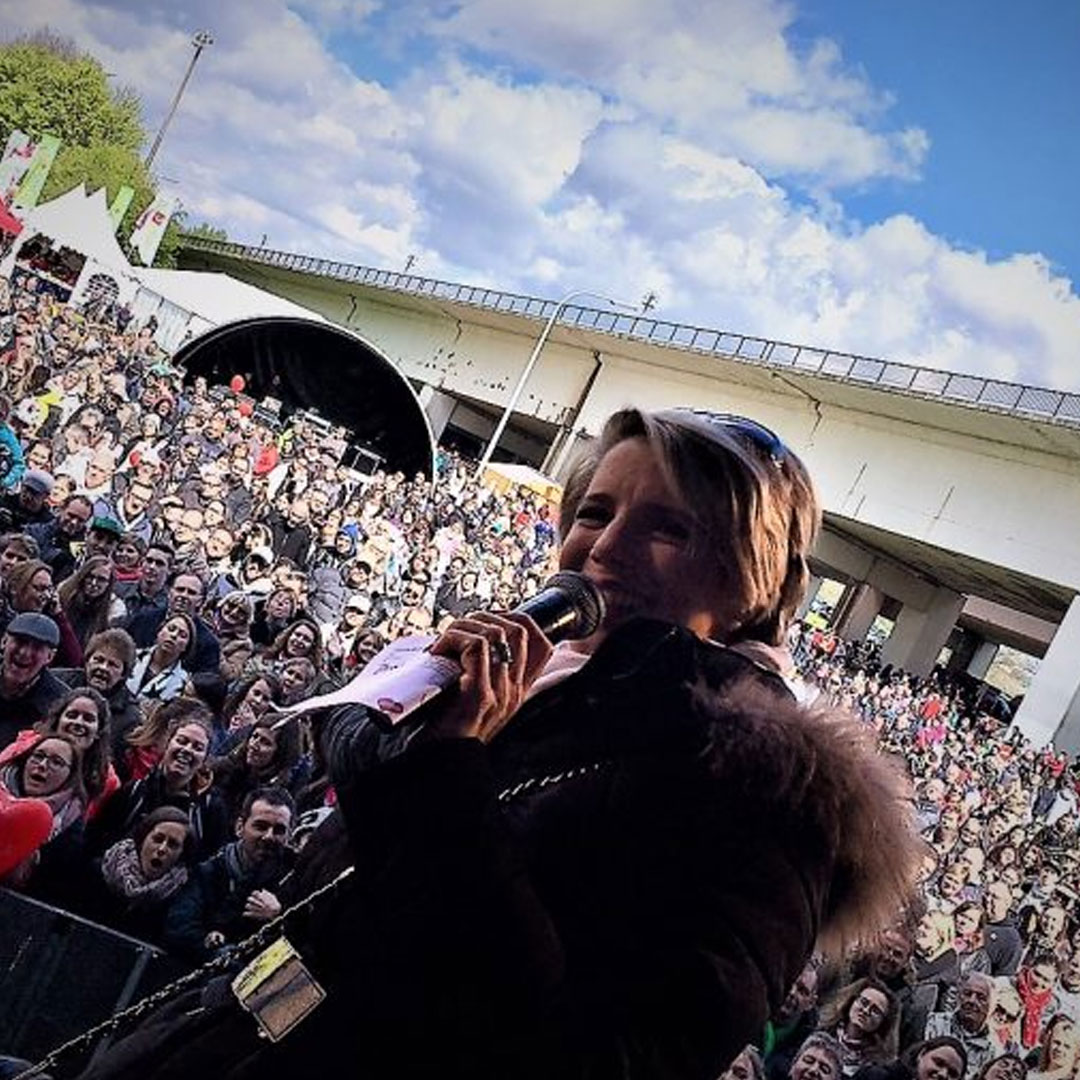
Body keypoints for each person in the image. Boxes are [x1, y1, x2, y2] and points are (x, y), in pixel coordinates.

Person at [78, 408, 921, 1080]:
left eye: (669, 529)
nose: (603, 549)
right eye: (594, 511)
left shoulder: (766, 801)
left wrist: (449, 770)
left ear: (758, 585)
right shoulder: (539, 703)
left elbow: (592, 1057)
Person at [163, 786, 295, 959]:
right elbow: (179, 928)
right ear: (240, 827)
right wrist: (217, 950)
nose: (269, 836)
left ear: (289, 835)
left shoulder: (294, 879)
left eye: (279, 830)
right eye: (261, 826)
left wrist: (278, 918)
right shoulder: (208, 873)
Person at [84, 806, 193, 945]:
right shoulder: (100, 870)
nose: (162, 849)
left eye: (173, 844)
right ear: (142, 839)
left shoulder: (179, 899)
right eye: (157, 839)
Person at [0, 611, 67, 746]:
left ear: (50, 657)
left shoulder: (59, 704)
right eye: (20, 641)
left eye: (37, 647)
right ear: (4, 641)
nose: (25, 653)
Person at [819, 978, 902, 1075]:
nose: (866, 1011)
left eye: (875, 1010)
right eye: (864, 1002)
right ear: (852, 1001)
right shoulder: (822, 1031)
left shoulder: (877, 1065)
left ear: (883, 1023)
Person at [126, 612, 197, 706]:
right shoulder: (131, 655)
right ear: (159, 632)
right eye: (171, 629)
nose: (174, 635)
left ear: (186, 647)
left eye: (182, 635)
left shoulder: (183, 682)